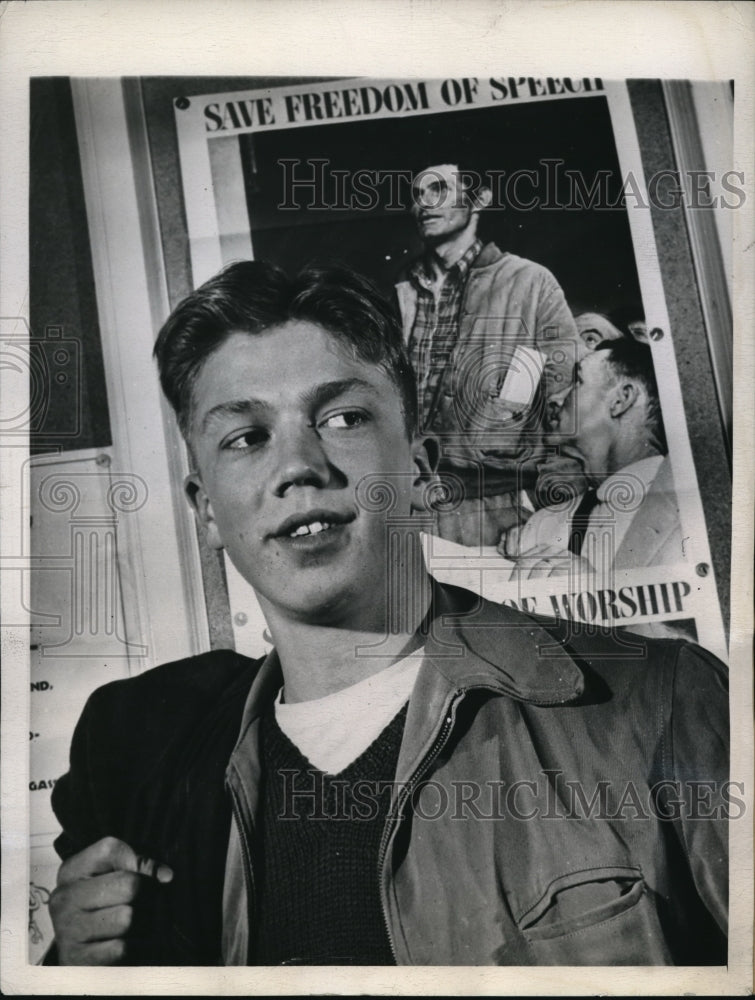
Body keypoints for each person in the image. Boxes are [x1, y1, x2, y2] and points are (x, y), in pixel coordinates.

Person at [47, 262, 727, 966]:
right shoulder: (140, 753)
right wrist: (72, 969)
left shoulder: (661, 704)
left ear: (423, 469)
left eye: (342, 418)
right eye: (246, 437)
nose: (299, 466)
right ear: (206, 509)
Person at [395, 162, 579, 548]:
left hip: (499, 508)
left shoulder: (531, 284)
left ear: (480, 199)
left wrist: (550, 513)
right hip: (408, 507)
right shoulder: (398, 295)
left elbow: (567, 407)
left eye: (438, 190)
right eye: (416, 195)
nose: (423, 203)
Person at [505, 338, 682, 579]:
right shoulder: (544, 524)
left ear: (621, 400)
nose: (555, 399)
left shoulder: (690, 521)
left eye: (577, 381)